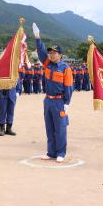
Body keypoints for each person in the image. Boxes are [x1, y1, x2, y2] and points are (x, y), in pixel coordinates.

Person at [33, 22, 74, 163]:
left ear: (60, 55)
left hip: (59, 101)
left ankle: (61, 152)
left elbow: (68, 86)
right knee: (49, 127)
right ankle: (51, 152)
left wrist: (67, 102)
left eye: (54, 53)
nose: (50, 54)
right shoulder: (47, 64)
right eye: (50, 52)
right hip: (48, 100)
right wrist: (37, 37)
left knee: (60, 128)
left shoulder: (65, 68)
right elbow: (40, 51)